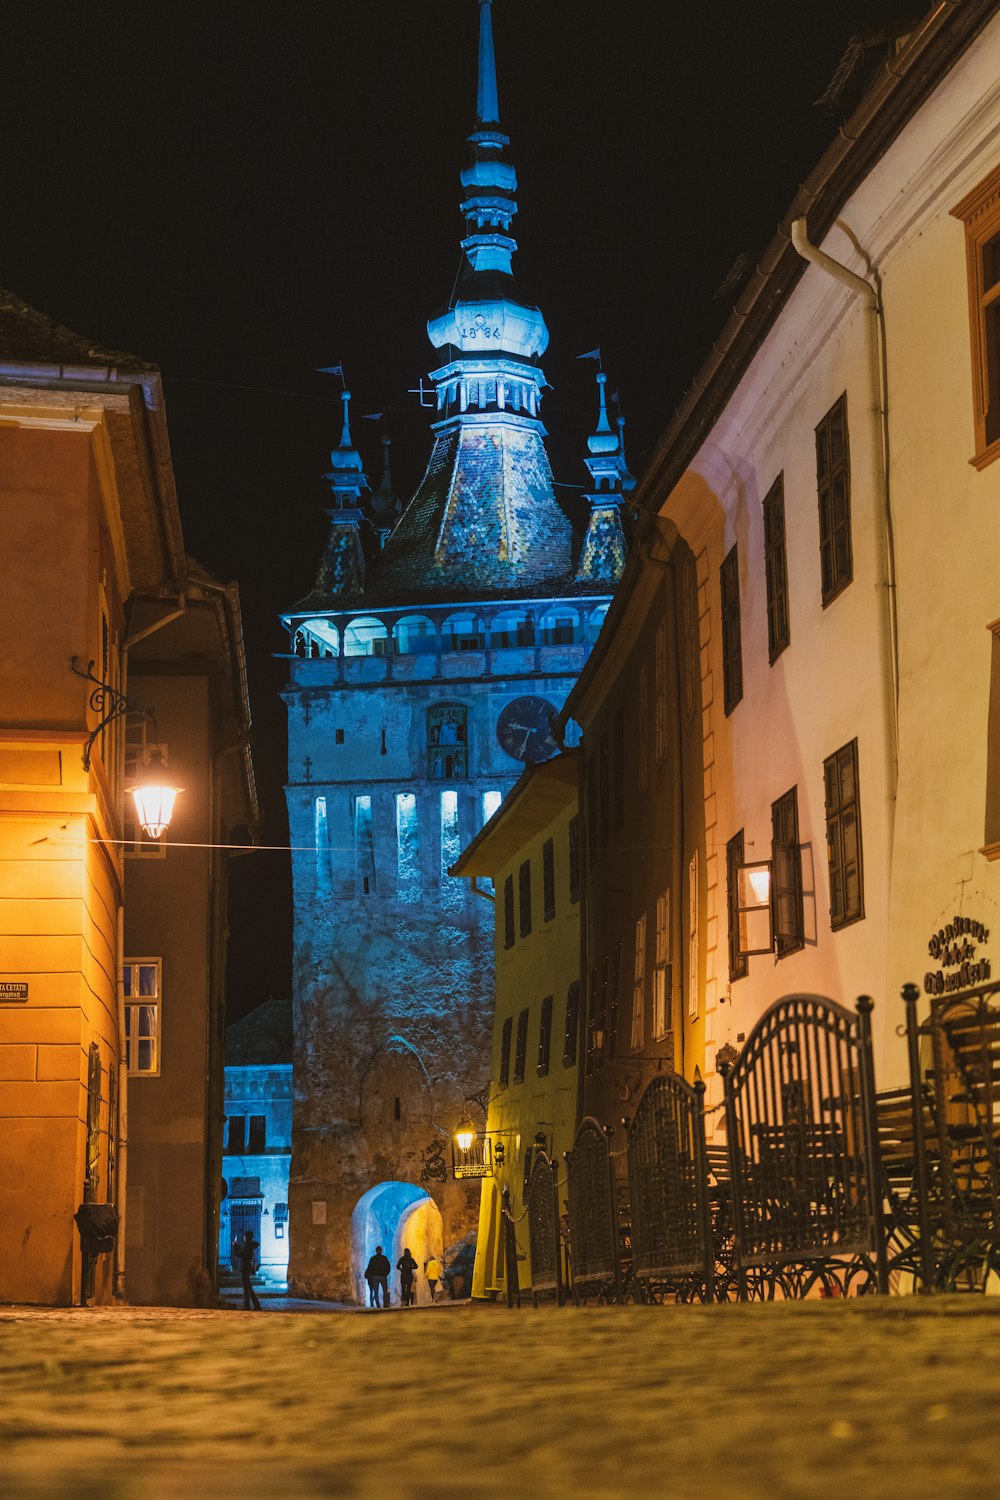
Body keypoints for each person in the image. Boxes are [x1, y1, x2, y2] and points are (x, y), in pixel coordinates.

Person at [237, 1229, 261, 1311]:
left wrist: (235, 1246)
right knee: (249, 1289)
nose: (243, 1238)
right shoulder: (249, 1245)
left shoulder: (247, 1245)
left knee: (246, 1289)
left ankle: (247, 1306)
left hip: (244, 1268)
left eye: (244, 1236)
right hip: (246, 1267)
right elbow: (242, 1253)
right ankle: (256, 1305)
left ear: (246, 1237)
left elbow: (240, 1254)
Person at [365, 1244, 391, 1308]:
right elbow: (388, 1267)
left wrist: (371, 1276)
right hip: (383, 1276)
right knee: (386, 1291)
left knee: (375, 1292)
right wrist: (386, 1274)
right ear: (381, 1251)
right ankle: (385, 1304)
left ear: (376, 1251)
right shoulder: (384, 1258)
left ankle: (378, 1305)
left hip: (375, 1277)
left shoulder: (372, 1259)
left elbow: (369, 1268)